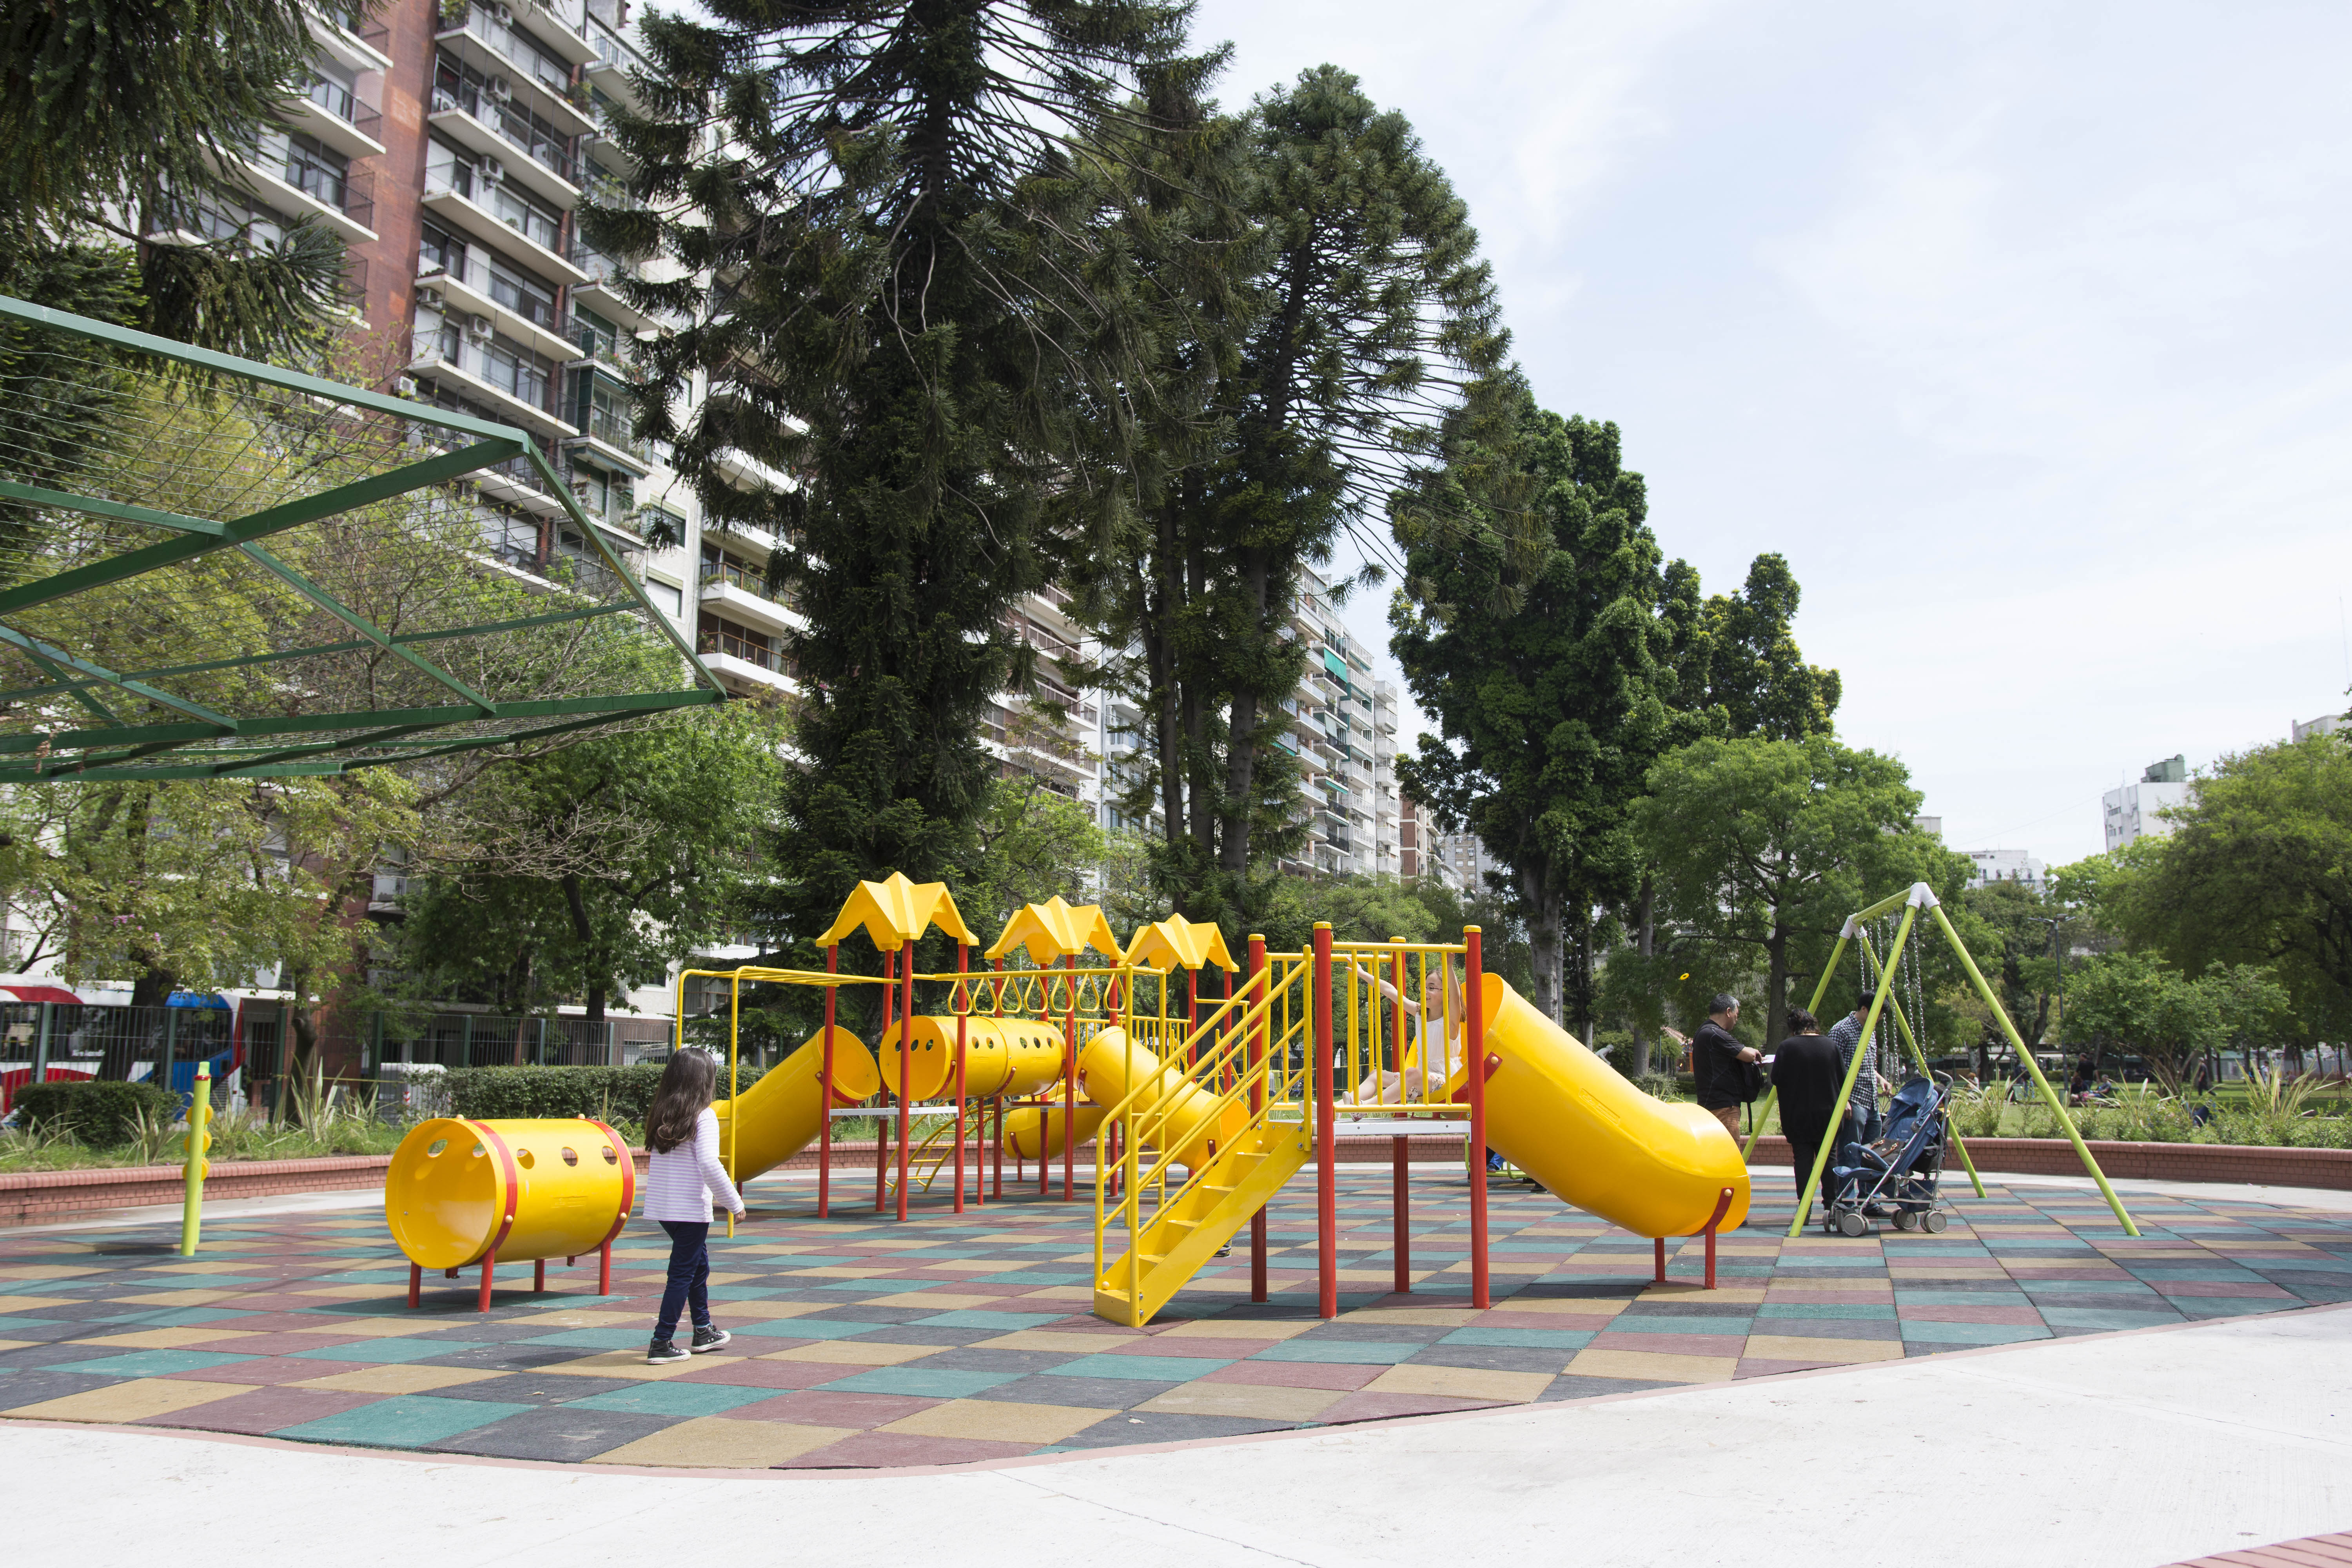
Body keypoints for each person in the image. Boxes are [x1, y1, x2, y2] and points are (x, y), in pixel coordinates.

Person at [642, 1049, 746, 1365]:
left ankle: (703, 1330)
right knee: (683, 1274)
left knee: (697, 1266)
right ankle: (662, 1341)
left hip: (664, 1208)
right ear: (705, 1080)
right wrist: (734, 1203)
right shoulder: (704, 1115)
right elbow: (709, 1164)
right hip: (688, 1210)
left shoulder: (663, 1112)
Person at [1769, 1008, 1844, 1221]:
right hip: (1828, 1113)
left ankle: (1805, 1208)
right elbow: (1842, 1077)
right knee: (1829, 1158)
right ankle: (1831, 1204)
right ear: (1814, 1024)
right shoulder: (1831, 1046)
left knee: (1802, 1160)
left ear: (1793, 1028)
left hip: (1797, 1113)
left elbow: (1776, 1079)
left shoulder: (1787, 1048)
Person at [1682, 993, 1760, 1140]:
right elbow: (1749, 1056)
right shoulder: (1715, 1034)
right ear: (1728, 1012)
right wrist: (1754, 1051)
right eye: (1737, 1014)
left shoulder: (1704, 1032)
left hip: (1712, 1104)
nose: (1737, 1019)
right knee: (1729, 1158)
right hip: (1724, 1108)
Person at [1825, 1004, 1891, 1144]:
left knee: (1872, 1155)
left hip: (1872, 1101)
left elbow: (1864, 1065)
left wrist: (1880, 1079)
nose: (1880, 1018)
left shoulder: (1870, 1031)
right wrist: (1842, 1101)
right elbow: (1830, 1068)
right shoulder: (1841, 1030)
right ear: (1864, 1009)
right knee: (1851, 1153)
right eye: (1878, 1013)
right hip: (1853, 1100)